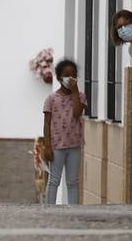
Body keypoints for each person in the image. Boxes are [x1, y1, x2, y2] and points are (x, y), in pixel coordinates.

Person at [43, 58, 87, 205]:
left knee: (73, 181)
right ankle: (50, 208)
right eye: (67, 75)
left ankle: (74, 209)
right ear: (59, 78)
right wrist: (47, 146)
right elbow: (47, 123)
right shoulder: (51, 99)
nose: (71, 78)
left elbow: (76, 113)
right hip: (56, 146)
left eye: (73, 75)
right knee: (54, 180)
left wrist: (75, 92)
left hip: (74, 145)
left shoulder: (80, 97)